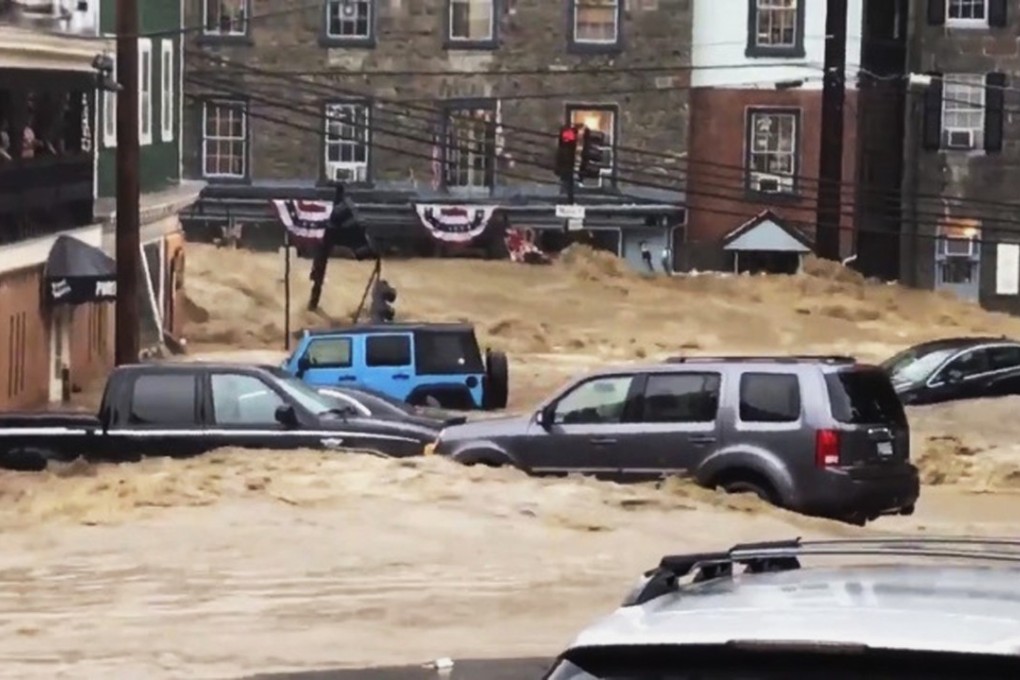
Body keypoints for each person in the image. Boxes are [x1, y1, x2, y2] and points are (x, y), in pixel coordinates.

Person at [308, 183, 376, 311]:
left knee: (318, 274)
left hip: (331, 236)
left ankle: (313, 303)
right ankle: (313, 302)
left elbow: (355, 225)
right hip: (329, 237)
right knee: (318, 274)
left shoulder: (340, 207)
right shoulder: (343, 206)